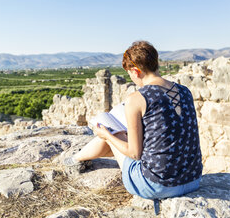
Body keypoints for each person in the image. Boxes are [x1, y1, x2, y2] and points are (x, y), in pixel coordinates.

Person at [64, 41, 202, 200]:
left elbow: (135, 154)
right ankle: (78, 158)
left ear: (135, 71)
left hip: (158, 186)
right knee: (118, 136)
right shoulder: (185, 91)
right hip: (193, 180)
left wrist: (106, 135)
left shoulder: (138, 98)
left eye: (129, 73)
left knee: (111, 134)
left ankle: (76, 159)